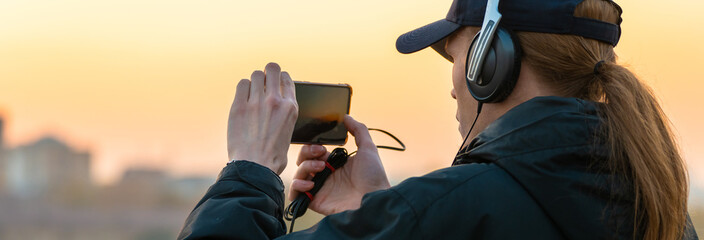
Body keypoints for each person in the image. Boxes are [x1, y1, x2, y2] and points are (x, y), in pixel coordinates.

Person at [178, 0, 697, 239]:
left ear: (487, 63)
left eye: (453, 57)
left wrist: (250, 171)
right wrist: (378, 213)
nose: (452, 84)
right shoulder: (661, 207)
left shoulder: (445, 214)